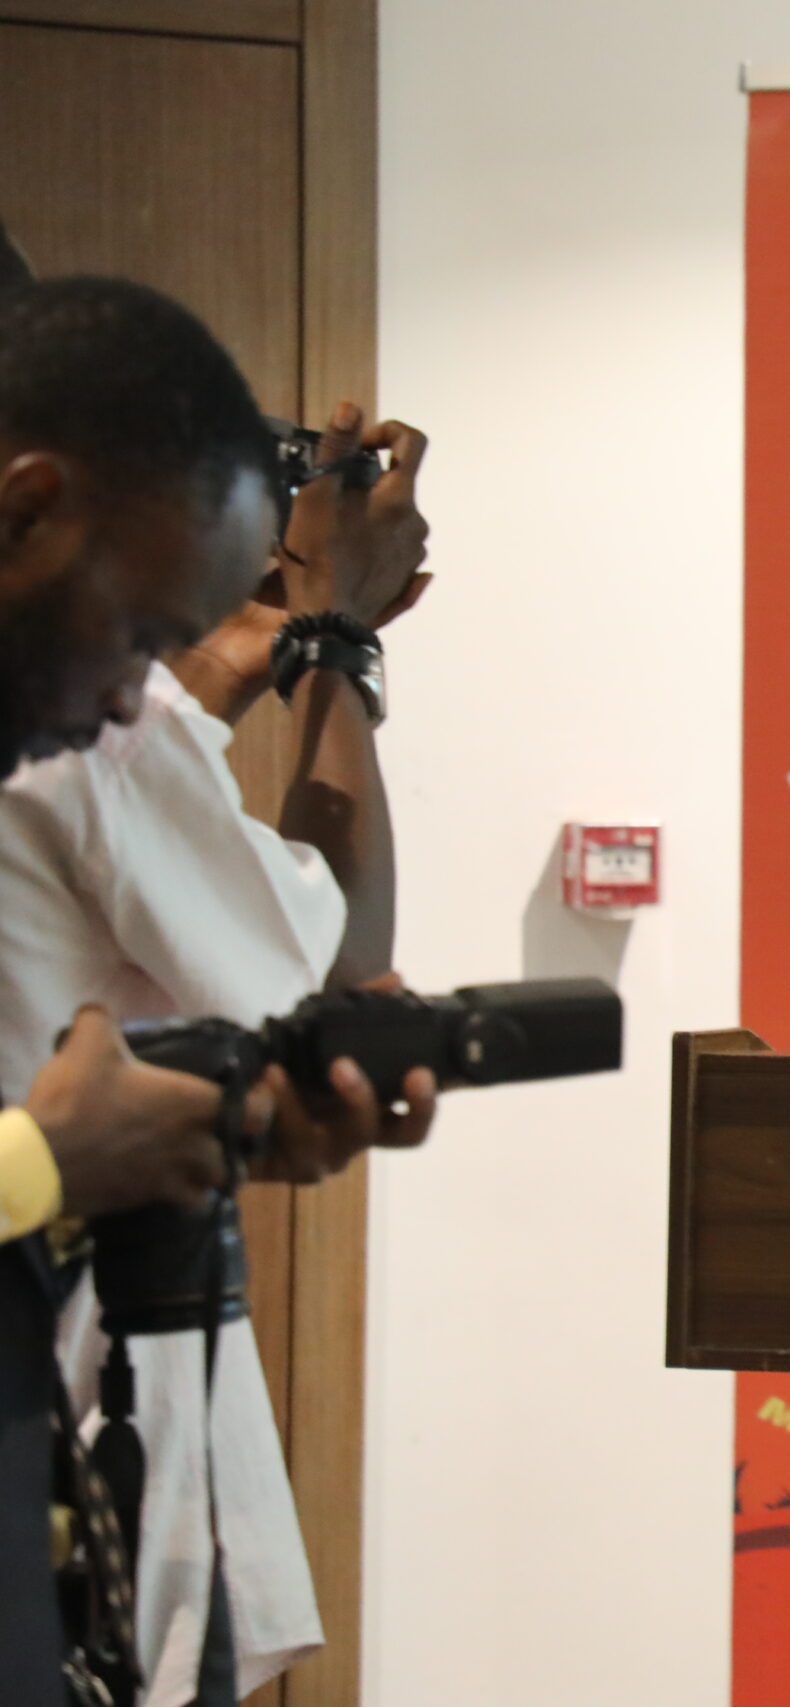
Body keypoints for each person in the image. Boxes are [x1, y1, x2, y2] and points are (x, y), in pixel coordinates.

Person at [0, 276, 435, 1707]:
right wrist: (333, 642)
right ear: (27, 501)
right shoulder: (84, 753)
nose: (146, 697)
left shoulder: (71, 731)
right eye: (138, 633)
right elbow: (333, 957)